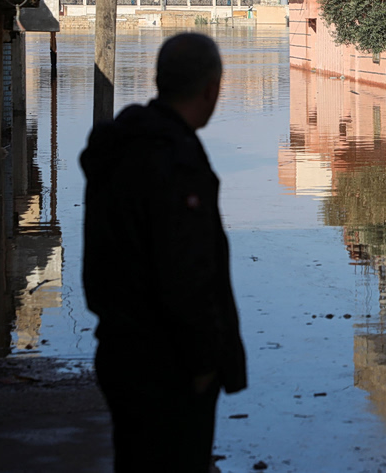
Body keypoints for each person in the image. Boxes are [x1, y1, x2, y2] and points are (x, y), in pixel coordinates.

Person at [81, 32, 246, 472]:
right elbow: (185, 274)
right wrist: (205, 362)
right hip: (167, 363)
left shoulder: (120, 147)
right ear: (212, 89)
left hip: (120, 349)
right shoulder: (174, 161)